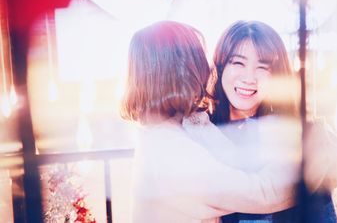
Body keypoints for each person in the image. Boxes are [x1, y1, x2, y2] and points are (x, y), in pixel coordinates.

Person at [121, 20, 302, 223]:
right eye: (198, 58)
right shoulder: (168, 147)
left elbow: (236, 162)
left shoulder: (178, 130)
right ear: (180, 71)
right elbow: (261, 194)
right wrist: (313, 166)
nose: (208, 67)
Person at [208, 20, 337, 223]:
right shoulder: (200, 134)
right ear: (220, 66)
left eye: (263, 67)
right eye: (238, 63)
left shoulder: (298, 142)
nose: (249, 77)